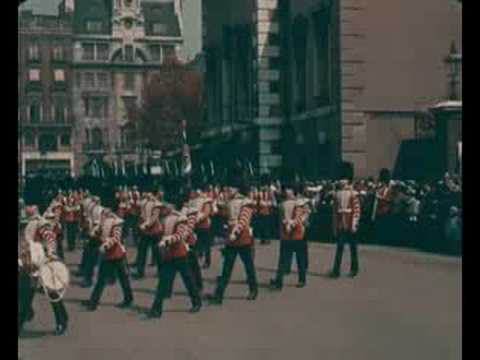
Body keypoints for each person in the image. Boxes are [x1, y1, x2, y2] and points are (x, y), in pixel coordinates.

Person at [146, 203, 202, 319]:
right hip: (169, 255)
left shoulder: (180, 218)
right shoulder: (165, 219)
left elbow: (179, 236)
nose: (163, 210)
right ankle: (156, 309)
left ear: (171, 207)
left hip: (179, 254)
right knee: (162, 283)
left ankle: (196, 302)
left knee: (188, 279)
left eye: (165, 208)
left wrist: (166, 241)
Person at [18, 214, 68, 336]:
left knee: (53, 296)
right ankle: (26, 314)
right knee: (24, 295)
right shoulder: (29, 221)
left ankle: (62, 321)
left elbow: (50, 238)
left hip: (43, 264)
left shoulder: (39, 223)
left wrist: (50, 253)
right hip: (28, 265)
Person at [208, 183, 258, 305]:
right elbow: (225, 214)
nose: (229, 189)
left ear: (237, 188)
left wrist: (235, 233)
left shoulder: (245, 201)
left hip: (242, 236)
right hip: (231, 237)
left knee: (248, 266)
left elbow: (243, 219)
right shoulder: (229, 200)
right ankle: (219, 295)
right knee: (226, 268)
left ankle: (253, 289)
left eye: (231, 187)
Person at [82, 208, 134, 311]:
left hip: (117, 254)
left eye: (104, 214)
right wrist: (92, 233)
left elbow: (116, 238)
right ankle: (93, 302)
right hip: (108, 255)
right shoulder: (103, 223)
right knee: (101, 280)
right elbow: (97, 234)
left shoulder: (116, 224)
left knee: (123, 279)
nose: (102, 216)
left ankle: (128, 299)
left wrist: (105, 245)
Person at [270, 184, 310, 289]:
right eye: (286, 189)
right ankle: (279, 281)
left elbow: (302, 216)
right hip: (285, 234)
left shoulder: (300, 203)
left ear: (293, 191)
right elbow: (280, 217)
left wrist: (292, 223)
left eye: (289, 189)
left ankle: (302, 279)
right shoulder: (283, 203)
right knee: (282, 259)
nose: (287, 191)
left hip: (297, 233)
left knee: (300, 259)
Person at [329, 179, 361, 278]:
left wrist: (355, 224)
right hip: (341, 224)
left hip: (350, 222)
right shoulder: (337, 195)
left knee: (353, 248)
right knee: (340, 247)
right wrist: (334, 227)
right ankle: (336, 270)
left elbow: (357, 210)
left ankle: (354, 269)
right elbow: (334, 212)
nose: (342, 183)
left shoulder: (353, 194)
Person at [133, 193, 165, 279]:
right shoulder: (143, 201)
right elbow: (140, 213)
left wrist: (146, 225)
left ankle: (162, 271)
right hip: (145, 230)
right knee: (142, 251)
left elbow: (154, 217)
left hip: (154, 230)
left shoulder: (156, 203)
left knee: (158, 252)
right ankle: (140, 272)